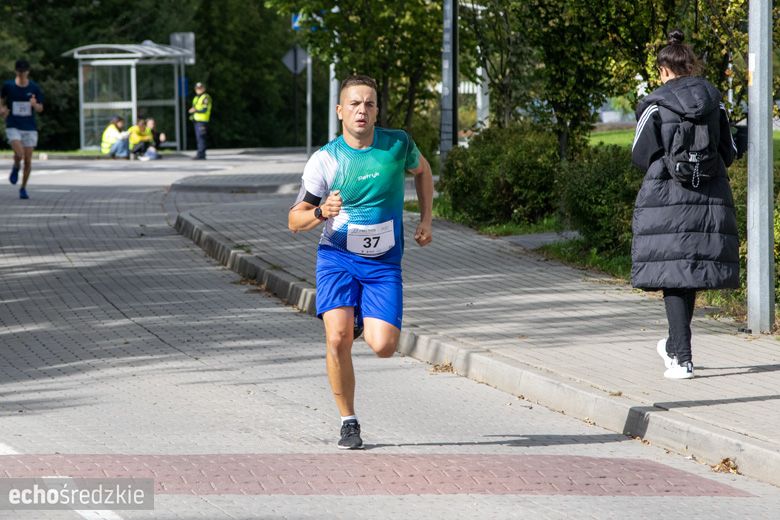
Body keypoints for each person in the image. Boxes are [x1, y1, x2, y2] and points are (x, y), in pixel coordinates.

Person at [287, 75, 433, 449]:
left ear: (377, 111)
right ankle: (348, 421)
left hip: (384, 262)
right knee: (336, 337)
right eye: (354, 104)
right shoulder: (326, 159)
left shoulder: (397, 144)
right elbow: (294, 221)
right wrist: (321, 211)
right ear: (340, 111)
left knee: (383, 345)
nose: (361, 111)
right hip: (337, 258)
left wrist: (426, 220)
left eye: (368, 104)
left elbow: (424, 172)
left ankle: (360, 318)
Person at [631, 30, 739, 380]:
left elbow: (640, 155)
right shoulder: (714, 100)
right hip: (708, 196)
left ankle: (683, 360)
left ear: (664, 69)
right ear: (690, 65)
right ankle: (676, 348)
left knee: (674, 276)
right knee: (686, 273)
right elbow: (729, 152)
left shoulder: (655, 103)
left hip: (667, 197)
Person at [0, 59, 44, 199]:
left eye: (24, 72)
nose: (22, 74)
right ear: (16, 71)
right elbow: (1, 100)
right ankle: (15, 166)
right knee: (20, 154)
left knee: (29, 161)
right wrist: (1, 109)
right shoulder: (8, 86)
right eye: (19, 72)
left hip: (29, 127)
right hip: (13, 124)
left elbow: (40, 108)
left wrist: (34, 104)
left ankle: (23, 188)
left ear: (28, 72)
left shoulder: (34, 88)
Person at [188, 82, 211, 159]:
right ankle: (201, 153)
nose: (198, 90)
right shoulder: (196, 98)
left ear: (204, 89)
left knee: (201, 138)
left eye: (200, 88)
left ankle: (201, 154)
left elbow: (204, 109)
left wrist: (195, 110)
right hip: (197, 121)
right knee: (199, 138)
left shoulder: (205, 97)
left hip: (202, 121)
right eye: (197, 89)